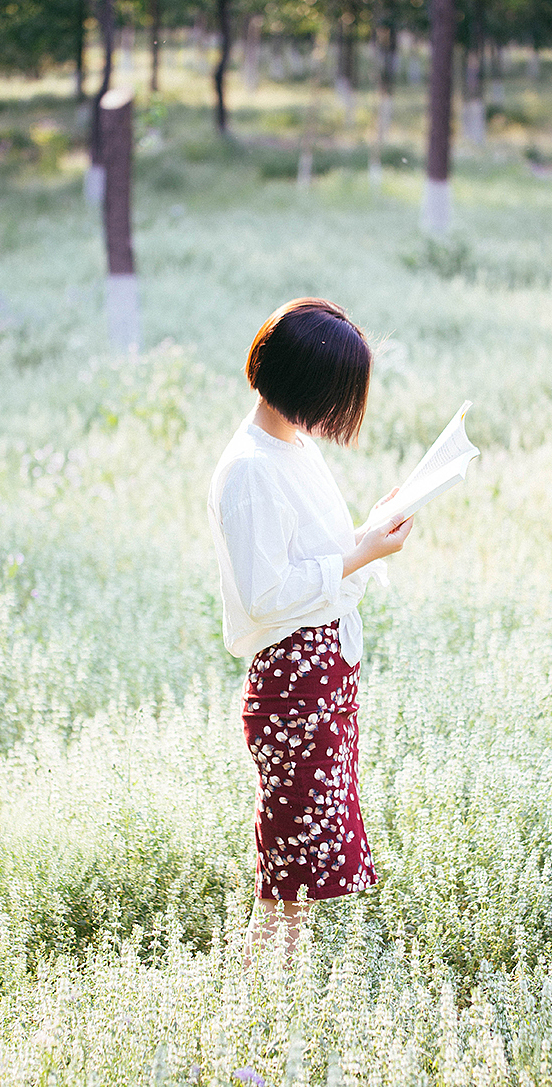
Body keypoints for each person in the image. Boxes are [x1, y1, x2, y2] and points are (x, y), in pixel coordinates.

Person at [207, 298, 414, 960]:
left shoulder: (288, 448)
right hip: (292, 677)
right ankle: (261, 990)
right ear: (304, 385)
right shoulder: (250, 469)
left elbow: (311, 562)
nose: (339, 411)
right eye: (335, 393)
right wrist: (361, 553)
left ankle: (274, 988)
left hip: (319, 670)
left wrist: (366, 533)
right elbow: (268, 595)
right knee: (288, 861)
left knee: (298, 858)